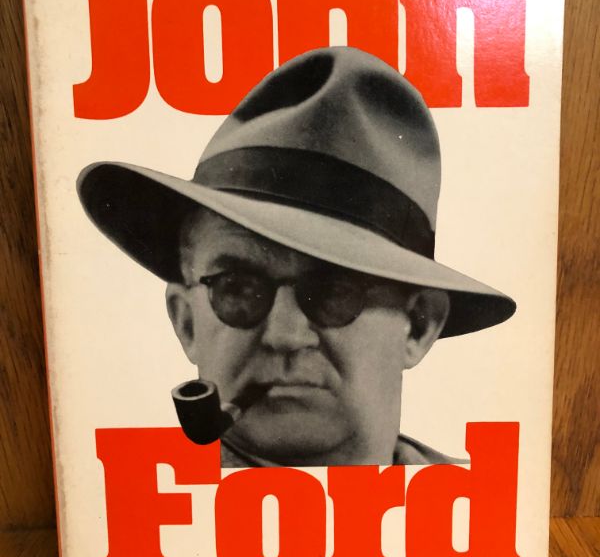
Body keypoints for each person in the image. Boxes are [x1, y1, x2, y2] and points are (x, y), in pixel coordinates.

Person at [78, 46, 515, 467]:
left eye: (334, 291)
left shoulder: (470, 503)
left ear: (417, 325)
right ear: (186, 322)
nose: (284, 335)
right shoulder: (146, 506)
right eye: (237, 289)